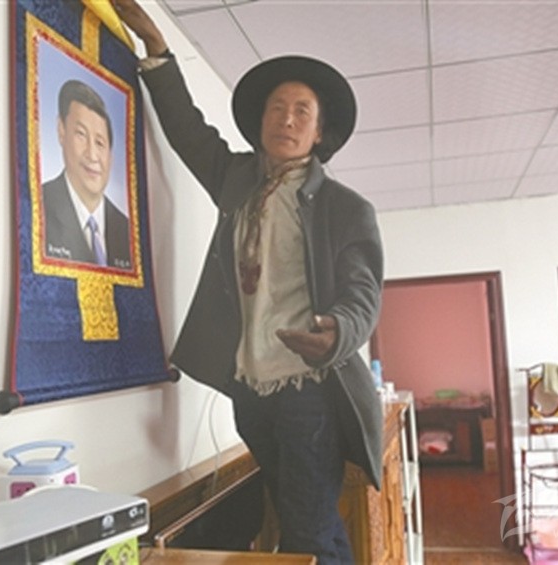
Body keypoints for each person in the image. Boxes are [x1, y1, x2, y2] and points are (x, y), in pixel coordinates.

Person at [114, 1, 384, 563]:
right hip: (250, 389)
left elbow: (363, 295)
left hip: (309, 389)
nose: (286, 119)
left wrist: (336, 331)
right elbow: (188, 131)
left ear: (319, 132)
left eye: (302, 111)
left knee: (306, 534)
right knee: (305, 518)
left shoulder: (345, 208)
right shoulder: (237, 180)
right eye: (276, 108)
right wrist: (158, 50)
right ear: (261, 122)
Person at [42, 79, 131, 269]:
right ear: (61, 131)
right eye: (81, 134)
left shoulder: (127, 231)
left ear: (111, 156)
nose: (92, 155)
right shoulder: (38, 206)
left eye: (100, 143)